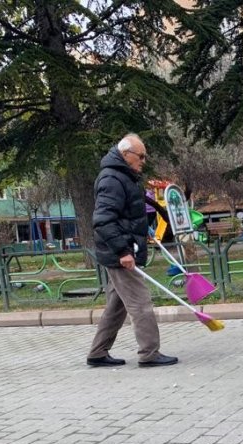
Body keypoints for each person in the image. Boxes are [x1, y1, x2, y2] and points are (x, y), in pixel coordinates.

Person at [86, 133, 178, 368]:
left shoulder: (123, 176)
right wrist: (123, 251)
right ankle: (150, 353)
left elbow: (126, 214)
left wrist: (141, 232)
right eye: (141, 156)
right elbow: (103, 219)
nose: (143, 161)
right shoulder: (112, 179)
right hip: (119, 252)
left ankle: (97, 352)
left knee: (117, 306)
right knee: (140, 302)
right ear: (126, 155)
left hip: (123, 246)